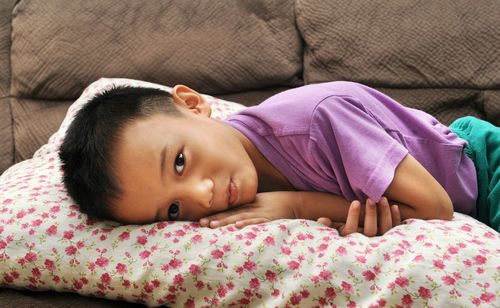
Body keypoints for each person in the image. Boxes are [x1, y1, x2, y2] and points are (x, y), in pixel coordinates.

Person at [59, 81, 499, 235]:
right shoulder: (239, 191)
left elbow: (437, 209)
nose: (203, 195)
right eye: (172, 210)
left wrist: (298, 206)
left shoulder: (317, 119)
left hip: (483, 169)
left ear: (192, 103)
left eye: (178, 162)